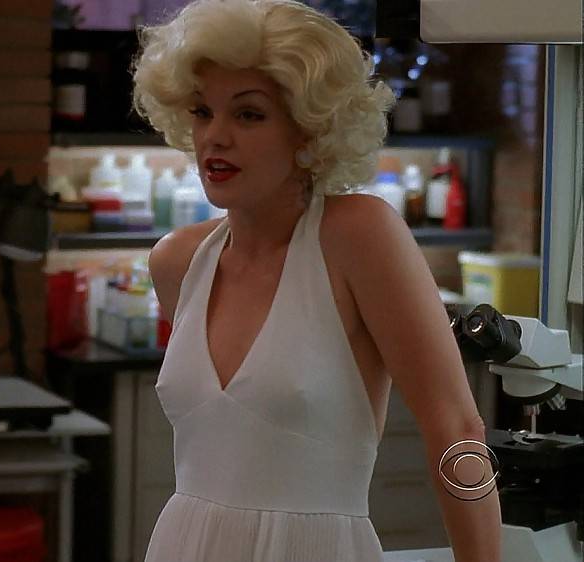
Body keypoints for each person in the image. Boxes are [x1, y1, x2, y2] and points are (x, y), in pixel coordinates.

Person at [131, 1, 502, 561]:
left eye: (249, 114)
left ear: (309, 129)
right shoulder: (177, 261)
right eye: (203, 111)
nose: (216, 137)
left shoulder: (359, 235)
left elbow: (457, 426)